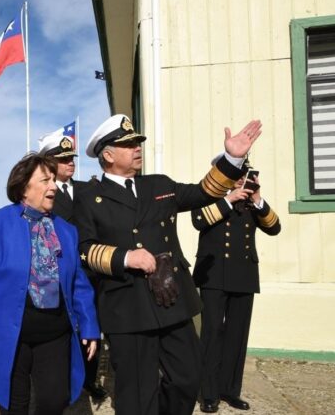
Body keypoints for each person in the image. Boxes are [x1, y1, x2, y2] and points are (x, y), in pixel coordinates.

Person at [74, 114, 262, 415]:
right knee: (137, 394)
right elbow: (83, 250)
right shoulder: (88, 196)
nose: (138, 148)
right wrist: (126, 257)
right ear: (107, 155)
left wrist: (231, 160)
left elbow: (204, 192)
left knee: (187, 378)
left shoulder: (158, 185)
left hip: (171, 301)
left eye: (137, 143)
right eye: (129, 145)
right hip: (127, 306)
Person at [0, 153, 100, 415]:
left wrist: (89, 326)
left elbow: (79, 285)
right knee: (14, 405)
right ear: (23, 187)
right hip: (8, 335)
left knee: (55, 402)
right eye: (45, 180)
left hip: (55, 334)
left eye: (54, 180)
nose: (54, 186)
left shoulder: (66, 230)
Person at [192, 162, 281, 413]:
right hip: (213, 275)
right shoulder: (208, 195)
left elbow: (275, 228)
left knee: (237, 335)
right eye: (237, 174)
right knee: (211, 333)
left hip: (244, 274)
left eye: (245, 174)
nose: (242, 178)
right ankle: (209, 393)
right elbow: (198, 220)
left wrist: (258, 199)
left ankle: (230, 390)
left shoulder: (252, 203)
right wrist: (229, 199)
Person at [38, 132, 108, 400]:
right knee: (63, 329)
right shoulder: (44, 193)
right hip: (59, 272)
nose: (70, 162)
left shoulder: (88, 189)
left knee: (91, 326)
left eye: (71, 158)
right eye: (63, 159)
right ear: (49, 162)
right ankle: (62, 380)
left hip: (91, 271)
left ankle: (89, 379)